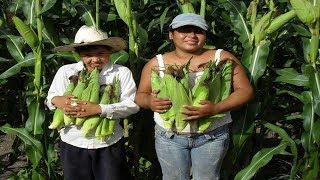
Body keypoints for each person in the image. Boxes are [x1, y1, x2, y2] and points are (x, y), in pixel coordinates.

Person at [135, 13, 254, 180]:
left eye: (198, 31)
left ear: (205, 35)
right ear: (171, 34)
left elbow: (245, 91)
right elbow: (140, 96)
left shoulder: (222, 58)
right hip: (169, 136)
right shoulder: (156, 64)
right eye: (185, 30)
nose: (192, 35)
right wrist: (149, 101)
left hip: (212, 135)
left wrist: (215, 108)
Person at [46, 25, 139, 180]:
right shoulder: (66, 71)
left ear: (110, 51)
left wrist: (99, 109)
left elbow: (131, 106)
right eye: (88, 55)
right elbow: (51, 98)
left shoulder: (121, 73)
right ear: (78, 54)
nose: (95, 59)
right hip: (72, 141)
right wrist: (58, 101)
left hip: (108, 142)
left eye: (101, 54)